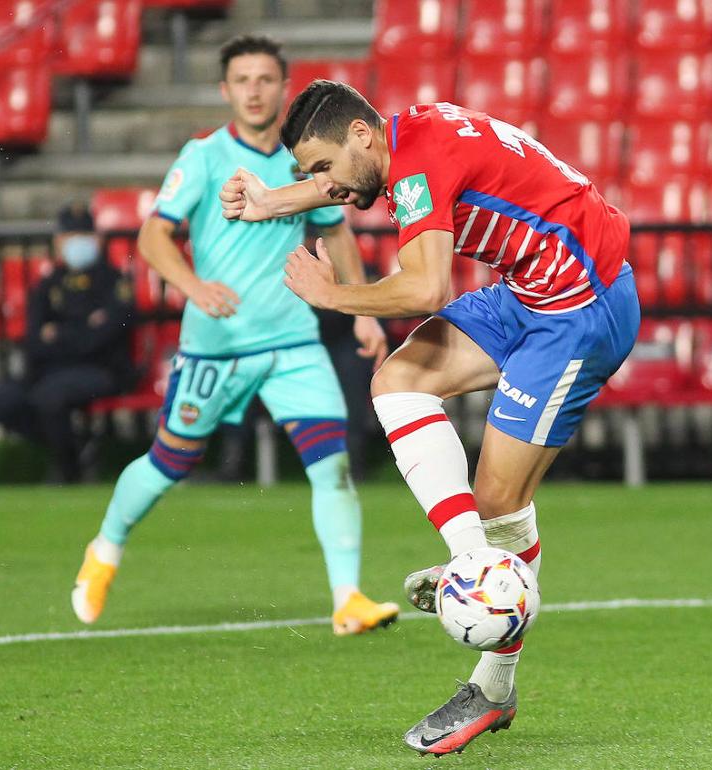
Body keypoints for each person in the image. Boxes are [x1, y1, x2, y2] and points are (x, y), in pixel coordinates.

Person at [220, 83, 640, 754]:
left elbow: (424, 289)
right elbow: (355, 184)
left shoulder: (416, 160)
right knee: (399, 379)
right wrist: (275, 201)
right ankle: (474, 564)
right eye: (309, 174)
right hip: (530, 290)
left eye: (320, 167)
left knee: (500, 501)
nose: (319, 183)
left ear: (362, 134)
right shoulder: (400, 140)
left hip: (580, 305)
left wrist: (334, 296)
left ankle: (494, 683)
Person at [70, 36, 400, 636]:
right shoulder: (202, 158)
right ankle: (106, 549)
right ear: (226, 90)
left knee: (333, 465)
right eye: (242, 80)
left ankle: (348, 597)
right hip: (214, 346)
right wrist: (194, 288)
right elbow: (152, 239)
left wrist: (362, 311)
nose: (254, 90)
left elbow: (339, 231)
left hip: (293, 344)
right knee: (168, 462)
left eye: (265, 79)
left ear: (283, 86)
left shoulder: (308, 159)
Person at [0, 203, 136, 483]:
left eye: (84, 236)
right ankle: (72, 446)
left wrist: (59, 334)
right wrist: (81, 329)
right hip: (51, 370)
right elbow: (33, 339)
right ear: (58, 242)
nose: (76, 243)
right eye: (70, 237)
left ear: (98, 240)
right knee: (2, 402)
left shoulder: (113, 282)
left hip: (101, 370)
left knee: (50, 396)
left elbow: (104, 338)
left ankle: (69, 471)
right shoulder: (48, 284)